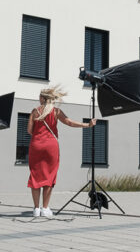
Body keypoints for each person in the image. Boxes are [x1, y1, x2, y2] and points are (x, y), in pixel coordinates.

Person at [26, 85, 95, 217]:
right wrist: (87, 125)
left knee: (35, 175)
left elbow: (29, 131)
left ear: (42, 98)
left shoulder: (35, 111)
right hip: (51, 146)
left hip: (36, 145)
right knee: (49, 176)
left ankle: (36, 209)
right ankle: (45, 209)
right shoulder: (56, 112)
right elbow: (69, 122)